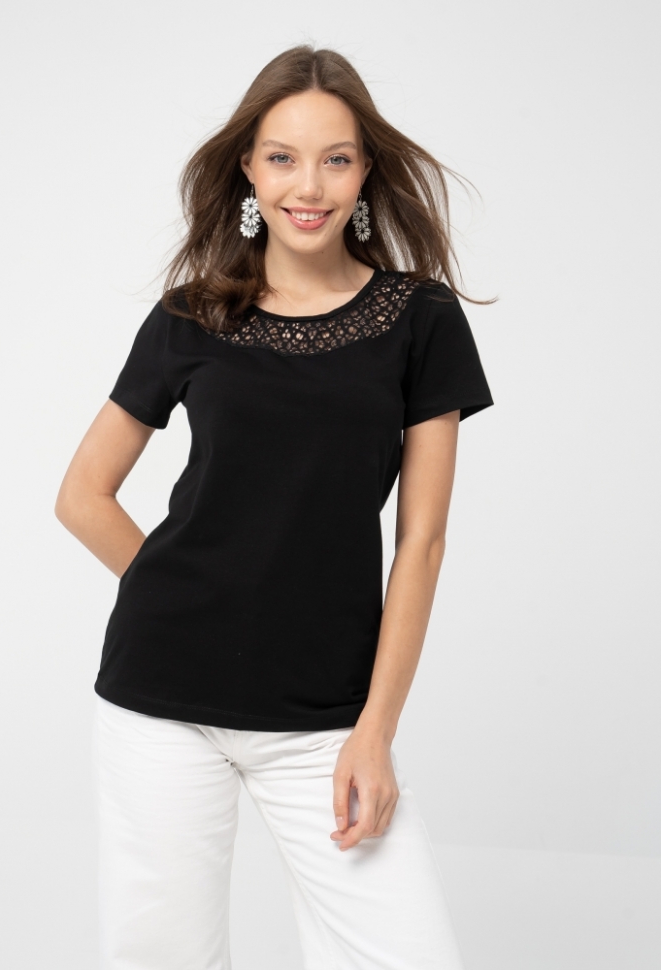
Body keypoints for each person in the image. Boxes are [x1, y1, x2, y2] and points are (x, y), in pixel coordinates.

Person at [55, 44, 494, 970]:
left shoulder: (420, 319)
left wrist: (376, 731)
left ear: (365, 172)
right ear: (250, 170)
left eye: (336, 158)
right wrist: (185, 595)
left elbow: (421, 542)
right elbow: (82, 495)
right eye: (283, 157)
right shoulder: (192, 315)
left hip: (328, 717)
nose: (310, 185)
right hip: (162, 703)